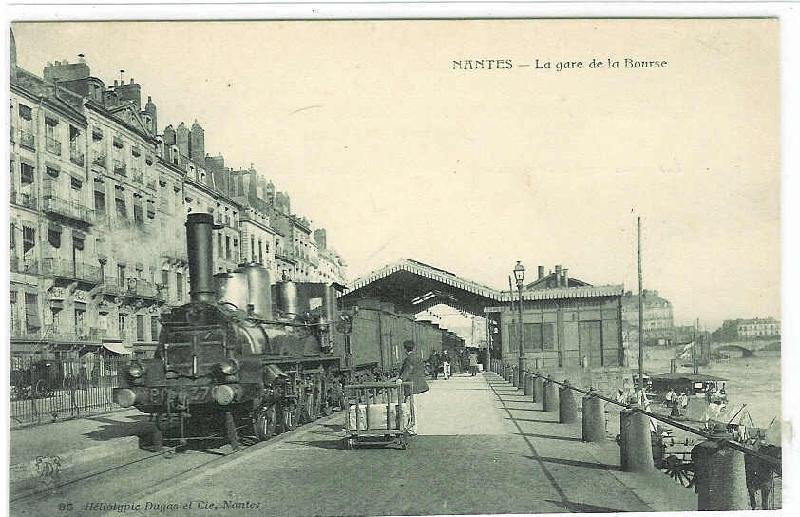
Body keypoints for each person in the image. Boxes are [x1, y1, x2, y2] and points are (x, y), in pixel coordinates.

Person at [398, 340, 429, 435]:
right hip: (417, 386)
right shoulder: (418, 357)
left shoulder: (409, 358)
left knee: (411, 408)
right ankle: (411, 427)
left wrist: (400, 379)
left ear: (405, 349)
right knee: (412, 407)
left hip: (412, 387)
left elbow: (408, 370)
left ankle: (412, 429)